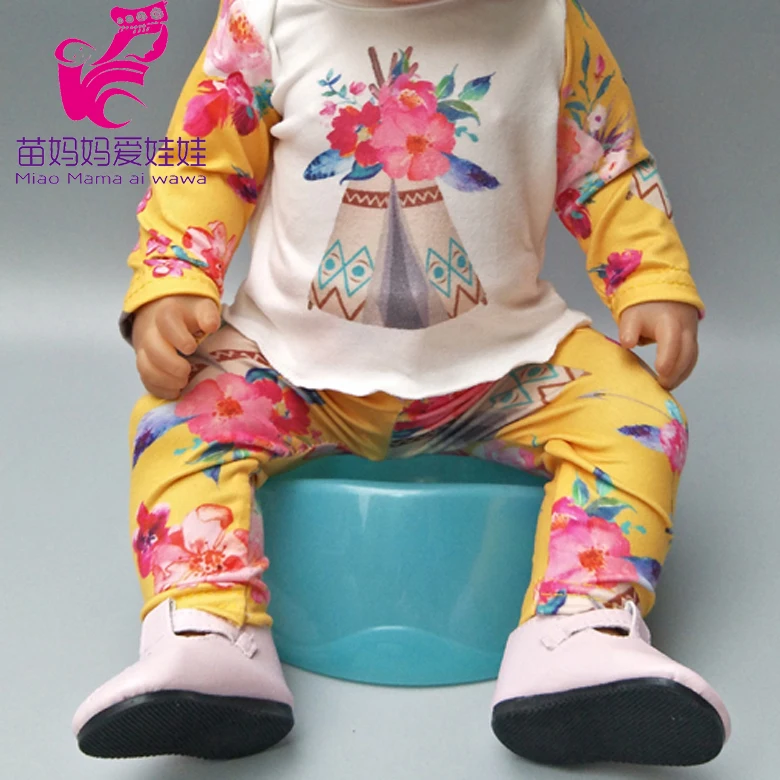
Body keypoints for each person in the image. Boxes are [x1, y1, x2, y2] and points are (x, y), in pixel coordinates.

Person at [72, 0, 730, 765]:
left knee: (638, 413)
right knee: (179, 416)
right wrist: (174, 278)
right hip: (290, 372)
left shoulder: (547, 23)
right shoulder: (269, 16)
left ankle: (581, 626)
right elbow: (205, 157)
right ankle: (207, 627)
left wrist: (649, 277)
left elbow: (608, 167)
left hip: (506, 373)